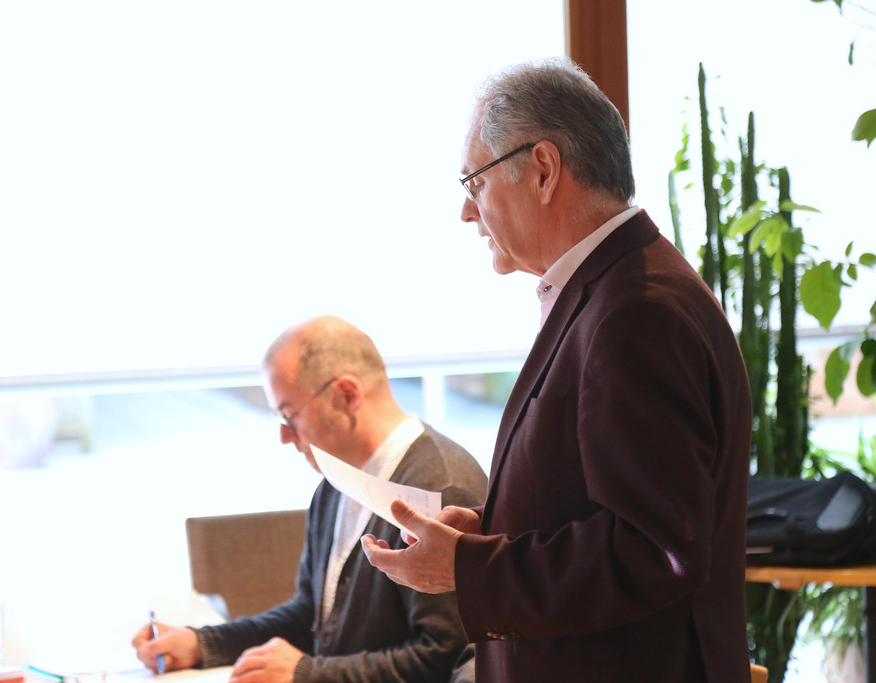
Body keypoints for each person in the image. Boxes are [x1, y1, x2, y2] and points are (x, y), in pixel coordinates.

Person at [361, 58, 753, 682]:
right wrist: (488, 535)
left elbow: (653, 551)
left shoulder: (638, 310)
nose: (467, 212)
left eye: (475, 182)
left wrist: (469, 569)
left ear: (543, 170)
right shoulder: (614, 290)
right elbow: (595, 506)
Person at [132, 315, 487, 683]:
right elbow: (310, 617)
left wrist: (308, 673)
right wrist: (203, 644)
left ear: (347, 396)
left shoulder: (441, 488)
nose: (284, 436)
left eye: (289, 416)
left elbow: (449, 659)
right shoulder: (339, 479)